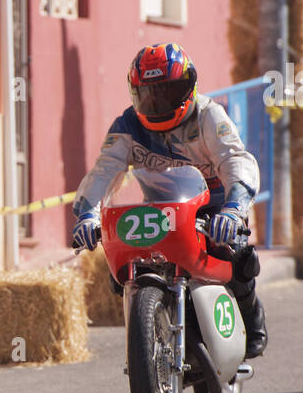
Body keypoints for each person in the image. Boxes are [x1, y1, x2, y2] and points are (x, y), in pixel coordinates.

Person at [70, 43, 268, 357]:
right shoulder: (126, 127)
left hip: (212, 207)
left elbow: (235, 160)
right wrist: (87, 214)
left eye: (168, 91)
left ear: (190, 87)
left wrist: (233, 208)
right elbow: (104, 172)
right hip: (161, 209)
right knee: (118, 272)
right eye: (149, 94)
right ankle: (149, 333)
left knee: (237, 254)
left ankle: (252, 320)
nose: (158, 102)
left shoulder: (208, 115)